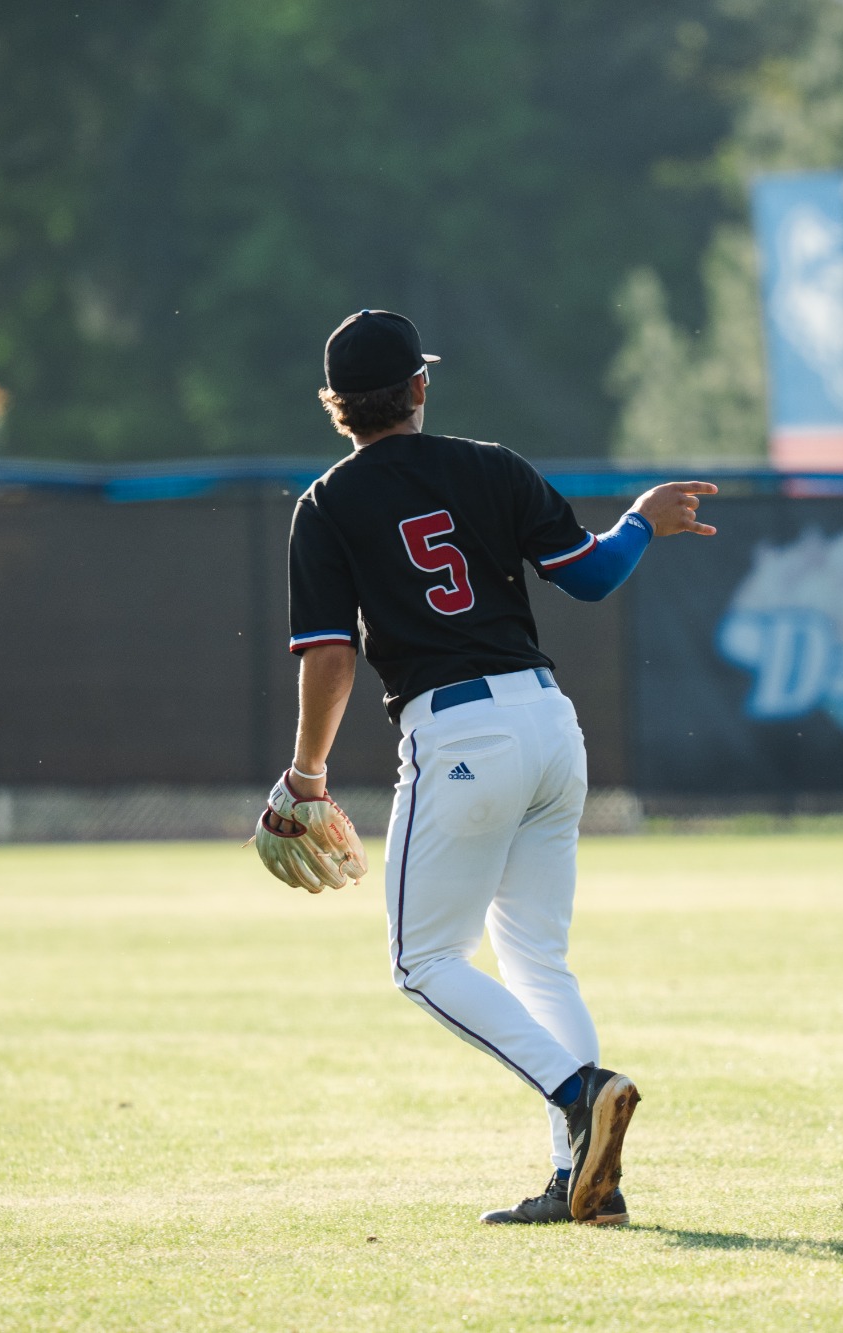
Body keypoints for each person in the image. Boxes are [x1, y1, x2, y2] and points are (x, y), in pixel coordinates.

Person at [253, 309, 716, 1226]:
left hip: (459, 734)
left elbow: (332, 656)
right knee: (536, 955)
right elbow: (586, 576)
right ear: (420, 388)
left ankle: (578, 1092)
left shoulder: (328, 502)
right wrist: (639, 522)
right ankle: (587, 1179)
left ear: (335, 408)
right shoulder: (492, 465)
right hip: (550, 724)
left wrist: (306, 775)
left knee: (422, 959)